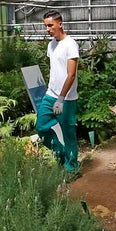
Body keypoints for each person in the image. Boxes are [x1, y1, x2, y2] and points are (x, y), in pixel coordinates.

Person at [37, 10, 80, 173]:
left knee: (68, 134)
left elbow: (71, 74)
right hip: (50, 94)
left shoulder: (70, 44)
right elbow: (55, 69)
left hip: (66, 98)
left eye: (50, 25)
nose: (48, 29)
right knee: (41, 127)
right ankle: (61, 153)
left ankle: (72, 168)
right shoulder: (51, 45)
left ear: (60, 24)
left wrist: (61, 99)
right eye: (46, 26)